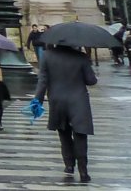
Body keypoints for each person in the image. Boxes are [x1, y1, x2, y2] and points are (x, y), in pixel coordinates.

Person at [34, 42, 97, 183]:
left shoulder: (47, 56)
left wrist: (37, 100)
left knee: (64, 133)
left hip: (57, 100)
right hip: (78, 100)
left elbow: (42, 81)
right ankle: (83, 171)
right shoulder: (81, 57)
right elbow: (91, 81)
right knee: (81, 135)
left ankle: (69, 165)